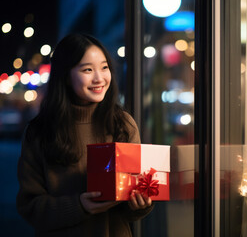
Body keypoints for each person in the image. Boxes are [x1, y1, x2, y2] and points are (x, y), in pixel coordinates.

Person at [16, 33, 153, 237]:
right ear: (66, 76)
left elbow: (132, 204)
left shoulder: (122, 124)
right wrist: (79, 205)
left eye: (104, 67)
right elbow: (30, 207)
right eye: (87, 69)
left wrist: (141, 203)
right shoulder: (40, 131)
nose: (99, 78)